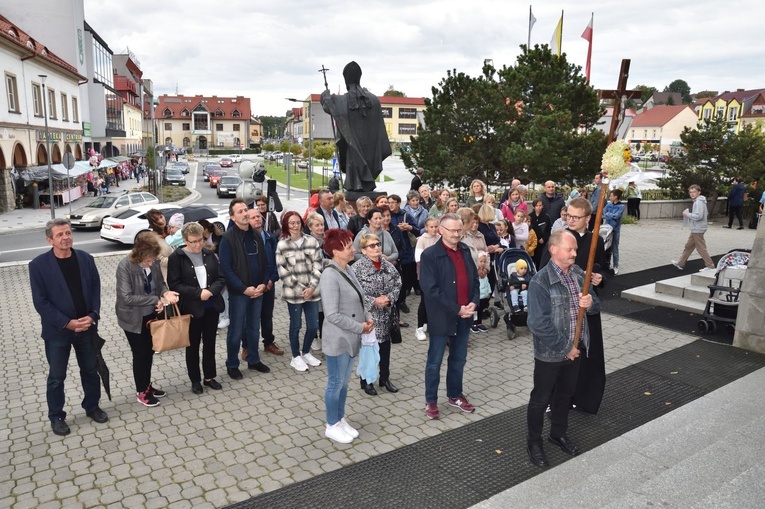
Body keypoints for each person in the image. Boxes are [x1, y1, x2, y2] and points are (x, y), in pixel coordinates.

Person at [526, 229, 599, 467]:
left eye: (576, 249)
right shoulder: (540, 281)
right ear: (554, 249)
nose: (575, 254)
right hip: (551, 353)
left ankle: (558, 433)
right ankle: (534, 441)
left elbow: (596, 307)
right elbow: (538, 323)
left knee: (565, 395)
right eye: (570, 249)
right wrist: (565, 347)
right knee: (541, 398)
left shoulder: (578, 273)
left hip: (575, 350)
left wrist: (589, 302)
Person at [29, 219, 108, 436]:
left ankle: (92, 406)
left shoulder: (85, 259)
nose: (65, 238)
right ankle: (56, 416)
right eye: (60, 235)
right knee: (57, 377)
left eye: (68, 233)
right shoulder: (38, 266)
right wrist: (67, 322)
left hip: (86, 327)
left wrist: (92, 316)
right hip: (58, 332)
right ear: (49, 240)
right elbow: (41, 302)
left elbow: (95, 290)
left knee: (90, 370)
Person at [540, 197, 608, 414]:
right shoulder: (557, 239)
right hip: (560, 306)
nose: (570, 219)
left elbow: (605, 269)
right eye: (567, 215)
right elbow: (543, 271)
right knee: (559, 354)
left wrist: (599, 277)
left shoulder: (594, 240)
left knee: (587, 352)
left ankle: (584, 397)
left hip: (586, 306)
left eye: (575, 217)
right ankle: (555, 399)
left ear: (588, 218)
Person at [421, 213, 480, 420]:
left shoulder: (465, 250)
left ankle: (455, 395)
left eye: (459, 230)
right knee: (435, 361)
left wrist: (474, 301)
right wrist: (457, 308)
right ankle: (431, 401)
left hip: (465, 315)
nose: (457, 234)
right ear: (441, 231)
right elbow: (431, 290)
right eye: (452, 230)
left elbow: (474, 279)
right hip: (442, 317)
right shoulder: (430, 255)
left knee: (459, 359)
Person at [319, 228, 374, 443]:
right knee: (335, 383)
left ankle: (340, 419)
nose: (353, 249)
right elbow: (332, 314)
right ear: (335, 251)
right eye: (348, 246)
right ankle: (331, 424)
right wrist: (361, 327)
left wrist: (367, 318)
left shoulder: (347, 269)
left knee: (343, 383)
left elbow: (359, 299)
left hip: (352, 336)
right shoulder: (329, 275)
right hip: (339, 339)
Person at [115, 232, 180, 407]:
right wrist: (155, 300)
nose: (152, 263)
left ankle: (147, 385)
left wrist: (165, 293)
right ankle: (141, 391)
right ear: (140, 255)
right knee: (140, 353)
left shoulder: (155, 261)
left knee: (150, 351)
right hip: (132, 318)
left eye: (154, 260)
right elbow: (126, 297)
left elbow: (160, 284)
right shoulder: (125, 266)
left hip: (150, 314)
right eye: (149, 261)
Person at [167, 222, 226, 395]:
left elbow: (221, 278)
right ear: (185, 240)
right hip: (191, 308)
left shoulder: (209, 254)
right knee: (192, 346)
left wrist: (209, 292)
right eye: (193, 242)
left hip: (211, 306)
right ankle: (195, 380)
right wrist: (198, 293)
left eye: (200, 240)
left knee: (210, 343)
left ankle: (209, 377)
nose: (198, 244)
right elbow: (174, 284)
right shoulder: (176, 257)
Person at [218, 198, 271, 381]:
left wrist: (264, 284)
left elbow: (265, 262)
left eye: (245, 210)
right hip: (239, 293)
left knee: (254, 328)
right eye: (240, 211)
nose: (245, 213)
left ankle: (253, 359)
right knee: (236, 330)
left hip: (258, 291)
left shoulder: (256, 234)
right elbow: (226, 269)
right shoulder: (227, 239)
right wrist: (244, 289)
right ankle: (232, 364)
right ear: (232, 217)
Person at [320, 61, 392, 192]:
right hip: (371, 151)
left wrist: (325, 95)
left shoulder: (342, 100)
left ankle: (356, 185)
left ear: (346, 79)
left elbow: (327, 105)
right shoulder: (374, 100)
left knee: (353, 179)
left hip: (353, 152)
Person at [353, 233, 403, 395]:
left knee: (385, 348)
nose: (376, 248)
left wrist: (389, 298)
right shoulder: (357, 268)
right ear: (363, 250)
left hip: (386, 315)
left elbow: (398, 282)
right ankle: (366, 381)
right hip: (369, 316)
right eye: (371, 246)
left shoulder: (387, 265)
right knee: (369, 349)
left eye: (378, 244)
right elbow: (355, 293)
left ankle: (385, 378)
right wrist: (373, 301)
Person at [276, 211, 324, 372]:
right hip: (294, 294)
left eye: (298, 222)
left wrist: (311, 287)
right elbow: (282, 271)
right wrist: (301, 289)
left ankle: (306, 352)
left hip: (313, 292)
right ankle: (295, 356)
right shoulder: (282, 245)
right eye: (292, 223)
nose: (295, 226)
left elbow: (318, 264)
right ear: (286, 226)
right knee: (295, 325)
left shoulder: (312, 241)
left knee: (313, 326)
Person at [246, 209, 284, 358]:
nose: (257, 219)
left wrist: (271, 280)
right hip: (252, 285)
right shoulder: (245, 239)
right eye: (253, 217)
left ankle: (268, 342)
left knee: (267, 315)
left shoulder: (269, 238)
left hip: (268, 284)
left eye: (258, 217)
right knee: (249, 317)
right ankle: (247, 346)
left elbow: (276, 261)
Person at [672, 185, 715, 271]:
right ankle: (681, 262)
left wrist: (687, 214)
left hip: (698, 228)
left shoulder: (698, 202)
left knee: (701, 248)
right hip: (697, 227)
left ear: (699, 192)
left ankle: (710, 266)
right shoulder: (700, 201)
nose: (692, 194)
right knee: (689, 246)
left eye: (694, 192)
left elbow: (698, 216)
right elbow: (704, 214)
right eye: (690, 192)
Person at [414, 217, 441, 341]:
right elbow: (419, 258)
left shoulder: (440, 239)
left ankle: (431, 323)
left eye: (436, 226)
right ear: (426, 227)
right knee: (425, 300)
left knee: (436, 300)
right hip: (425, 274)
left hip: (439, 275)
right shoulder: (422, 240)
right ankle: (419, 327)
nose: (434, 229)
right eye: (431, 227)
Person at [603, 189, 625, 274]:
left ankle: (616, 266)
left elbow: (617, 216)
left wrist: (608, 215)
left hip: (615, 230)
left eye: (611, 195)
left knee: (615, 248)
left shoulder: (621, 206)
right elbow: (603, 213)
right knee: (606, 247)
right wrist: (610, 215)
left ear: (616, 197)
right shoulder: (609, 205)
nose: (610, 197)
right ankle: (606, 264)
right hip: (607, 229)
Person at [472, 251, 491, 333]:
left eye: (484, 262)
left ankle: (479, 323)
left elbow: (487, 282)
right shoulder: (474, 272)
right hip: (477, 295)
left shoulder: (484, 272)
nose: (483, 263)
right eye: (481, 261)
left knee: (480, 310)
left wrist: (489, 292)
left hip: (483, 295)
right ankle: (473, 324)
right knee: (475, 310)